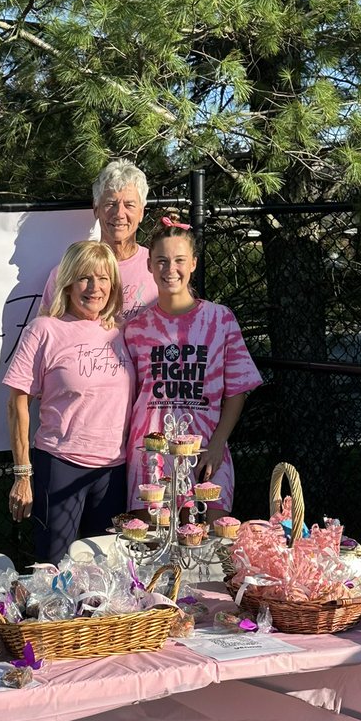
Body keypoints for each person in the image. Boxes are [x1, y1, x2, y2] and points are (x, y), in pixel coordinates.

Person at [3, 240, 135, 564]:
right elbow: (17, 403)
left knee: (106, 574)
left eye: (104, 279)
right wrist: (23, 474)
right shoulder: (44, 330)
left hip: (113, 471)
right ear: (68, 283)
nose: (95, 288)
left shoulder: (121, 332)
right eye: (85, 278)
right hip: (61, 465)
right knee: (53, 570)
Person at [124, 217, 262, 518]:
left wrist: (217, 444)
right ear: (149, 266)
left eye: (179, 260)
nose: (170, 270)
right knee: (151, 547)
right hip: (150, 457)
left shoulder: (220, 320)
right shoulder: (134, 330)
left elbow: (237, 391)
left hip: (205, 452)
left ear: (194, 263)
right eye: (161, 261)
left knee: (211, 543)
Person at [40, 159, 158, 320]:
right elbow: (46, 333)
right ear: (96, 209)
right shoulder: (67, 271)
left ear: (141, 212)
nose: (119, 214)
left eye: (129, 205)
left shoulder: (160, 267)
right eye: (111, 204)